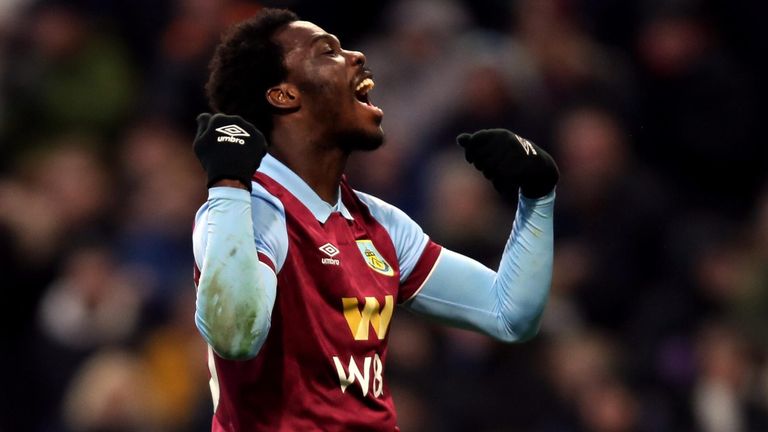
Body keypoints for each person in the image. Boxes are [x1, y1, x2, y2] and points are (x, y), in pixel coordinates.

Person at [191, 8, 559, 431]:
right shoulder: (248, 207)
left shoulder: (380, 224)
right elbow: (235, 336)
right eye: (327, 51)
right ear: (284, 95)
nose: (357, 56)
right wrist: (227, 184)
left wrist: (537, 195)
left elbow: (509, 314)